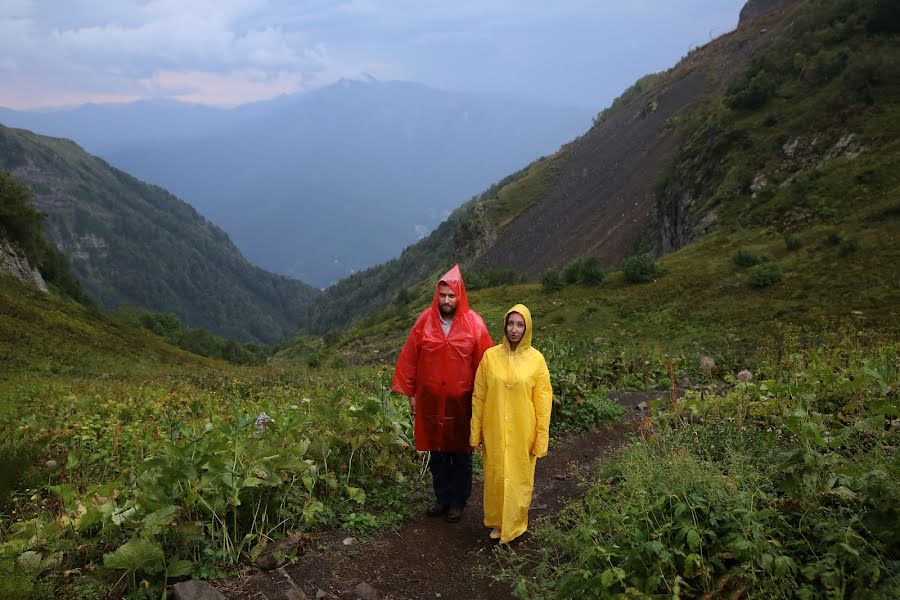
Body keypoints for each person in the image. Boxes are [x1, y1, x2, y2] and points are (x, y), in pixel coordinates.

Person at [393, 264, 493, 523]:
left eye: (451, 295)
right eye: (443, 295)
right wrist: (412, 394)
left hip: (462, 403)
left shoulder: (475, 324)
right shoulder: (424, 321)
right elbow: (410, 358)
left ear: (460, 296)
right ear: (437, 296)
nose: (446, 300)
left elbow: (486, 364)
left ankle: (459, 502)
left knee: (461, 452)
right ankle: (442, 498)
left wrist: (484, 401)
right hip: (431, 402)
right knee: (436, 450)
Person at [470, 304, 552, 543]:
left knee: (519, 478)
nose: (514, 330)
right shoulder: (490, 357)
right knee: (495, 476)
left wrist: (541, 438)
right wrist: (475, 433)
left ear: (527, 328)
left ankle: (515, 523)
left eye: (520, 324)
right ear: (504, 325)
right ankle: (497, 521)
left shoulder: (536, 360)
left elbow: (543, 402)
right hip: (494, 430)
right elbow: (479, 396)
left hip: (522, 431)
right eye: (511, 323)